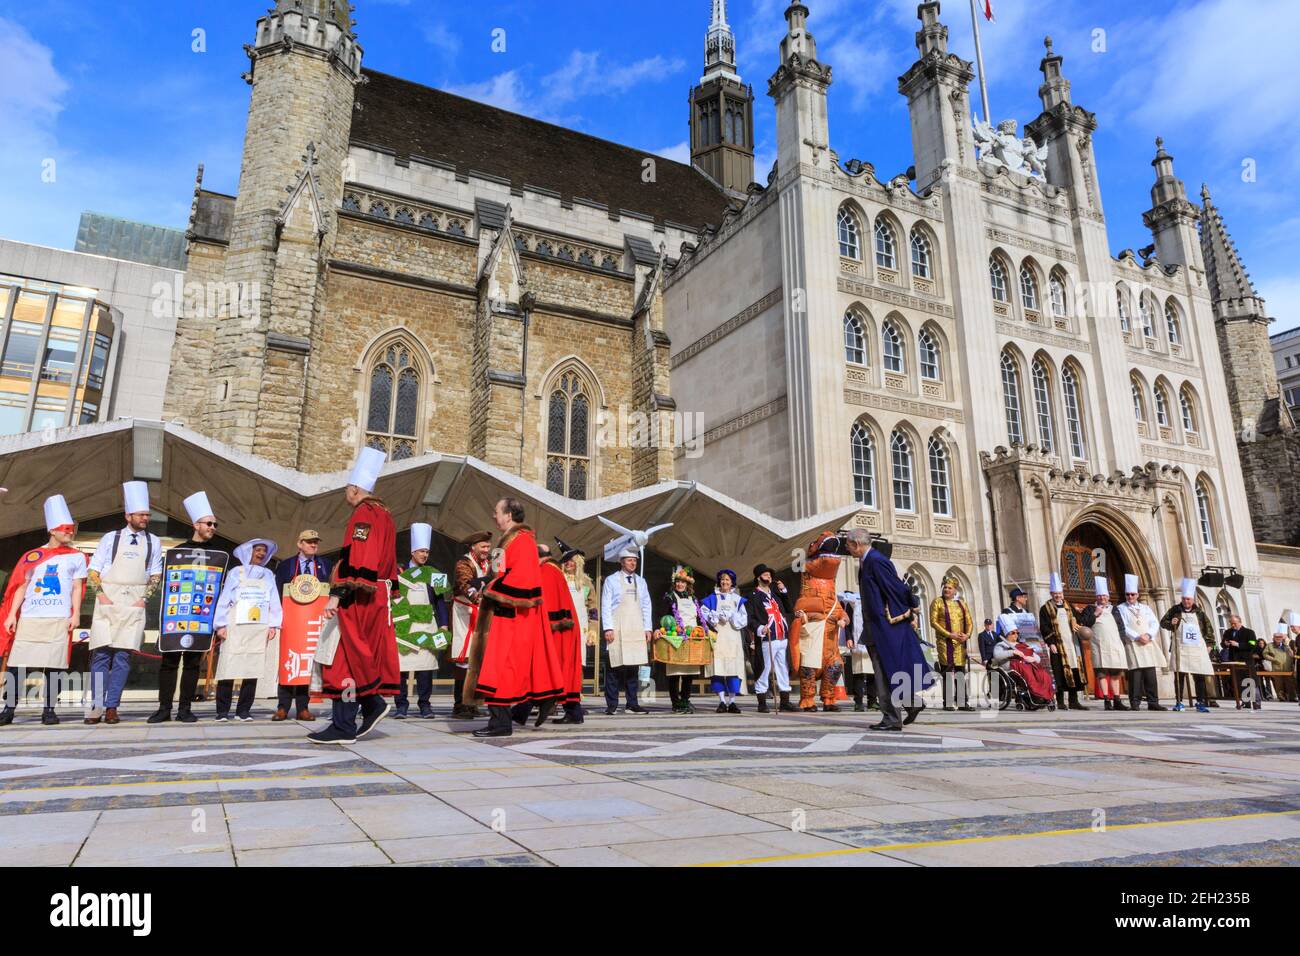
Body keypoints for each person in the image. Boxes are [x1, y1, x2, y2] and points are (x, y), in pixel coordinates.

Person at [310, 447, 401, 744]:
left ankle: (346, 723)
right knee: (353, 656)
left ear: (353, 489)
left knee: (345, 657)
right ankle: (366, 707)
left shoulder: (363, 513)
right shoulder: (385, 515)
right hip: (377, 595)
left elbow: (360, 557)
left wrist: (338, 593)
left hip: (360, 595)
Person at [464, 497, 563, 737]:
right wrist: (483, 585)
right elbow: (499, 574)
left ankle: (501, 723)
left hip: (512, 617)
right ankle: (501, 719)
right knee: (498, 669)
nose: (494, 516)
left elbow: (521, 580)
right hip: (502, 615)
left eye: (496, 512)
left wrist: (490, 590)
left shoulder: (522, 542)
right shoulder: (508, 542)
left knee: (502, 670)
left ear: (508, 515)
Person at [0, 496, 87, 726]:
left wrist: (75, 613)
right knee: (18, 664)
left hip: (59, 616)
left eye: (71, 529)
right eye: (65, 529)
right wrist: (11, 615)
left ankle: (49, 709)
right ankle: (9, 708)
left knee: (55, 665)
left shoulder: (77, 557)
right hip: (30, 616)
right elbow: (21, 586)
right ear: (52, 531)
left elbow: (77, 587)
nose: (70, 533)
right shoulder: (33, 556)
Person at [85, 482, 163, 725]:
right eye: (141, 514)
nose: (145, 518)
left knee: (122, 657)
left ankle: (112, 707)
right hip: (107, 600)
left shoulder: (153, 542)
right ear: (128, 515)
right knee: (101, 655)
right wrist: (102, 597)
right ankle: (96, 706)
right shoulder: (111, 538)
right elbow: (94, 570)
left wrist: (144, 600)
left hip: (134, 602)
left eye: (147, 515)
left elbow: (155, 575)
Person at [150, 491, 229, 724]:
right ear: (196, 525)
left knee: (194, 664)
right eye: (209, 523)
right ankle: (164, 708)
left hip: (201, 619)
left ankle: (185, 709)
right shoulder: (176, 552)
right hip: (175, 616)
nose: (213, 527)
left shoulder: (220, 554)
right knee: (169, 663)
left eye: (215, 524)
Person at [845, 530, 930, 731]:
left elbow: (897, 588)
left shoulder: (876, 561)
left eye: (848, 545)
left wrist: (910, 611)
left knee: (882, 671)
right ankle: (911, 703)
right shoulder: (867, 561)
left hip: (884, 627)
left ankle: (892, 718)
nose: (847, 549)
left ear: (856, 543)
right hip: (875, 626)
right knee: (886, 668)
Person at [512, 542, 581, 727]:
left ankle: (528, 707)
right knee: (562, 669)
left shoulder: (547, 571)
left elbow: (547, 604)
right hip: (563, 627)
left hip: (555, 630)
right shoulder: (554, 569)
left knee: (549, 669)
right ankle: (571, 712)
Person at [212, 539, 281, 721]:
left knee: (253, 666)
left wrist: (273, 625)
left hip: (258, 626)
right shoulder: (236, 572)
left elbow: (274, 601)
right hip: (235, 624)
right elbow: (225, 597)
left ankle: (243, 710)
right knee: (228, 665)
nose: (261, 554)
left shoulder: (268, 575)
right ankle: (222, 711)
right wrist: (220, 624)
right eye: (257, 550)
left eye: (264, 551)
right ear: (248, 552)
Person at [392, 522, 450, 719]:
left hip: (428, 624)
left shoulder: (435, 572)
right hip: (404, 624)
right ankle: (401, 705)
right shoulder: (398, 573)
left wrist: (444, 624)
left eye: (426, 551)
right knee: (401, 667)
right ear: (412, 551)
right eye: (421, 551)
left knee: (426, 667)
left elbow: (441, 601)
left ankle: (425, 704)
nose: (424, 555)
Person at [272, 530, 331, 722]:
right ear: (300, 544)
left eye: (315, 542)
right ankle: (283, 706)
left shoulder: (324, 565)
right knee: (289, 661)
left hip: (313, 619)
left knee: (307, 663)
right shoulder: (286, 565)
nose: (313, 545)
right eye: (309, 542)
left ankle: (303, 707)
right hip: (291, 619)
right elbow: (277, 592)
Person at [789, 534, 846, 713]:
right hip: (813, 638)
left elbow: (840, 610)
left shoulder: (833, 588)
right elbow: (801, 609)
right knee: (809, 668)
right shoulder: (806, 577)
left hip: (830, 645)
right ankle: (807, 699)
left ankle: (828, 698)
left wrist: (843, 618)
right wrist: (805, 616)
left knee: (836, 665)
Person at [599, 546, 652, 715]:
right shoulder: (611, 580)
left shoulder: (641, 581)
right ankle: (612, 704)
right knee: (614, 667)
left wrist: (648, 628)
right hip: (618, 628)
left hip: (636, 629)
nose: (633, 563)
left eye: (635, 560)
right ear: (621, 562)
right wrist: (607, 628)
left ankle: (632, 703)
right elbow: (605, 605)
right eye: (630, 560)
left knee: (633, 669)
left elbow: (646, 605)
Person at [1158, 578, 1217, 713]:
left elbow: (1209, 630)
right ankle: (1179, 702)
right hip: (1181, 647)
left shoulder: (1200, 613)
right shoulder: (1175, 610)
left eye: (1188, 599)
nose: (1186, 601)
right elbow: (1163, 622)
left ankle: (1201, 702)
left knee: (1199, 676)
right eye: (1184, 599)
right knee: (1179, 676)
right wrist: (1171, 623)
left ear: (1193, 600)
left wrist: (1209, 645)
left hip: (1197, 648)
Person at [450, 532, 491, 719]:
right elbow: (465, 584)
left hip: (480, 613)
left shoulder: (488, 564)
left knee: (477, 660)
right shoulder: (463, 563)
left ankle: (473, 703)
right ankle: (460, 705)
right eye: (483, 547)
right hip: (464, 615)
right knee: (464, 658)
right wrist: (478, 594)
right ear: (473, 546)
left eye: (488, 547)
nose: (486, 550)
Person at [746, 564, 794, 713]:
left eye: (770, 574)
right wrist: (760, 628)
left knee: (783, 669)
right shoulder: (753, 596)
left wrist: (783, 591)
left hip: (782, 637)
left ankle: (785, 701)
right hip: (767, 638)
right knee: (764, 668)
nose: (769, 576)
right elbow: (750, 618)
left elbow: (788, 609)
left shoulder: (775, 594)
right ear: (758, 577)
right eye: (765, 574)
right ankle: (762, 703)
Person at [1038, 573, 1088, 711]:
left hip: (1072, 644)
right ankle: (1060, 701)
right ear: (1051, 593)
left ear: (1062, 593)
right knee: (1059, 672)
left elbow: (1079, 620)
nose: (1058, 596)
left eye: (1059, 593)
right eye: (1055, 593)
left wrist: (1077, 620)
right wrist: (1051, 643)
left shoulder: (1069, 607)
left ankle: (1074, 701)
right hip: (1058, 645)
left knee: (1074, 670)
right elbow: (1044, 627)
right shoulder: (1045, 608)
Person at [700, 569, 748, 714]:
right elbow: (703, 613)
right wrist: (713, 616)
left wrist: (732, 616)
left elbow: (744, 619)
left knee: (733, 670)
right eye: (722, 579)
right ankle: (721, 701)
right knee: (718, 670)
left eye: (727, 580)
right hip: (717, 638)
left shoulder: (737, 600)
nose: (724, 582)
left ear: (732, 582)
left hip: (733, 639)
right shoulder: (711, 598)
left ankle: (732, 702)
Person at [558, 543, 596, 724]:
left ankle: (574, 703)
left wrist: (593, 630)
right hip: (560, 629)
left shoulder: (587, 582)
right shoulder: (558, 579)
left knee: (576, 666)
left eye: (571, 560)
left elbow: (593, 609)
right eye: (565, 561)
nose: (568, 564)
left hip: (580, 629)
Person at [1116, 574, 1167, 711]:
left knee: (1150, 674)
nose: (1130, 597)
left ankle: (1153, 701)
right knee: (1135, 674)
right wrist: (1137, 636)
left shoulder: (1145, 608)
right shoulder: (1121, 608)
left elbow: (1154, 622)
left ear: (1137, 595)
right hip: (1134, 643)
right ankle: (1135, 702)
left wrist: (1149, 635)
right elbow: (1123, 626)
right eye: (1128, 595)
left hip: (1147, 642)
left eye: (1132, 594)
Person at [660, 565, 704, 714]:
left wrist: (708, 629)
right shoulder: (670, 597)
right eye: (678, 582)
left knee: (689, 672)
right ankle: (675, 702)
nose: (680, 584)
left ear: (688, 584)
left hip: (692, 637)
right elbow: (664, 616)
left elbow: (699, 618)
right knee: (675, 672)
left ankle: (685, 699)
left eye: (683, 582)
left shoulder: (694, 599)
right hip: (676, 638)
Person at [1077, 580, 1127, 710]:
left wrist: (1121, 641)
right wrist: (1095, 614)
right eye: (1100, 596)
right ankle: (1106, 700)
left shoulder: (1114, 609)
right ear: (1096, 597)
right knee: (1102, 673)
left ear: (1108, 597)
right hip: (1099, 645)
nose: (1102, 598)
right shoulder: (1090, 608)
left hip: (1115, 644)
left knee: (1115, 673)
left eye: (1104, 596)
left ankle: (1117, 699)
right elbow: (1084, 623)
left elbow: (1121, 626)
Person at [930, 575, 975, 711]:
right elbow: (933, 622)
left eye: (950, 588)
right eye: (945, 587)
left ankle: (962, 702)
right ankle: (948, 702)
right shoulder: (937, 602)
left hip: (960, 643)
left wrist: (967, 635)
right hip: (945, 643)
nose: (947, 590)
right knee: (948, 672)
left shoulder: (961, 603)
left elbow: (969, 622)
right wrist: (949, 634)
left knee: (961, 672)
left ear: (955, 590)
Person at [992, 615, 1054, 704]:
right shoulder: (1001, 644)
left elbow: (1037, 657)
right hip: (1012, 665)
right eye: (1013, 633)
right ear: (1007, 634)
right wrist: (1012, 652)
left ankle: (1045, 696)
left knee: (1043, 674)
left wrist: (1032, 658)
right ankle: (1036, 696)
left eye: (1017, 633)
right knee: (1028, 673)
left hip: (1027, 664)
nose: (1016, 635)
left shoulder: (1021, 644)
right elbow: (997, 656)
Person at [839, 591, 877, 712]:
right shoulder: (852, 603)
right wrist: (848, 638)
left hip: (871, 642)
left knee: (873, 675)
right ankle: (858, 702)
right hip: (857, 642)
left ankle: (872, 702)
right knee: (858, 674)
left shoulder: (873, 602)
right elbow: (848, 623)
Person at [1220, 614, 1263, 709]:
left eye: (1234, 623)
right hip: (1234, 660)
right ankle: (1245, 701)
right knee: (1239, 681)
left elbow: (1252, 645)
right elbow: (1222, 643)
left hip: (1246, 660)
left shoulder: (1249, 632)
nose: (1233, 625)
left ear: (1240, 622)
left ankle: (1256, 702)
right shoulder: (1228, 632)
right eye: (1231, 623)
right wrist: (1225, 644)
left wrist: (1238, 644)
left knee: (1251, 681)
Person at [1263, 623, 1296, 703]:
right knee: (1279, 684)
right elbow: (1264, 654)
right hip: (1277, 668)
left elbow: (1293, 655)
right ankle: (1282, 698)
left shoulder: (1287, 645)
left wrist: (1288, 646)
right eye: (1276, 637)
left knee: (1290, 683)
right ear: (1273, 638)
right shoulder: (1270, 645)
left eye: (1280, 637)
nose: (1278, 639)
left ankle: (1292, 697)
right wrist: (1273, 659)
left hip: (1288, 667)